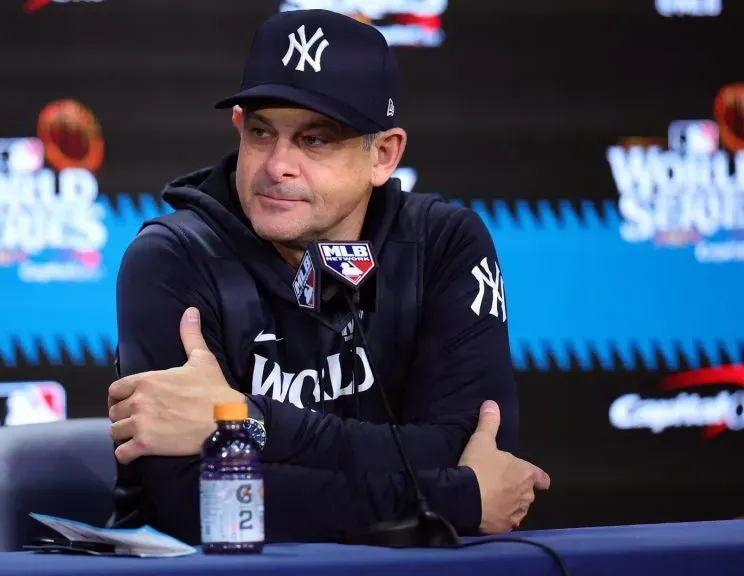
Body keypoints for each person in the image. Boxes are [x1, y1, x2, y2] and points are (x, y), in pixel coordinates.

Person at [105, 8, 550, 545]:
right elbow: (198, 503)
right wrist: (455, 498)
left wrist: (245, 421)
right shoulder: (173, 258)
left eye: (315, 139)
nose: (277, 165)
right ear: (238, 127)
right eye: (261, 132)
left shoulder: (443, 245)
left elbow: (472, 448)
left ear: (383, 154)